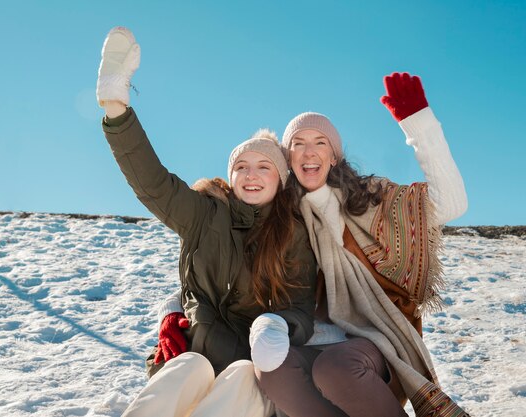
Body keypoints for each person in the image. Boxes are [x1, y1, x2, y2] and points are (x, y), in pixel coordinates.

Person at [96, 27, 318, 417]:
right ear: (230, 178)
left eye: (264, 167)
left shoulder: (293, 233)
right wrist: (117, 111)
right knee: (189, 367)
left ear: (280, 180)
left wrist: (279, 328)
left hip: (253, 368)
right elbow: (153, 184)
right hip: (195, 350)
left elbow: (300, 305)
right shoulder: (204, 213)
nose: (251, 175)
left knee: (244, 375)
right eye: (242, 167)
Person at [253, 73, 470, 416]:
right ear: (288, 158)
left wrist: (420, 127)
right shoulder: (280, 215)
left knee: (335, 368)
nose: (309, 152)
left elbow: (451, 204)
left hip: (376, 340)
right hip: (311, 337)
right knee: (271, 367)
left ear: (335, 156)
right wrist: (176, 307)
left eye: (320, 142)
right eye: (298, 143)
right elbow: (225, 245)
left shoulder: (369, 197)